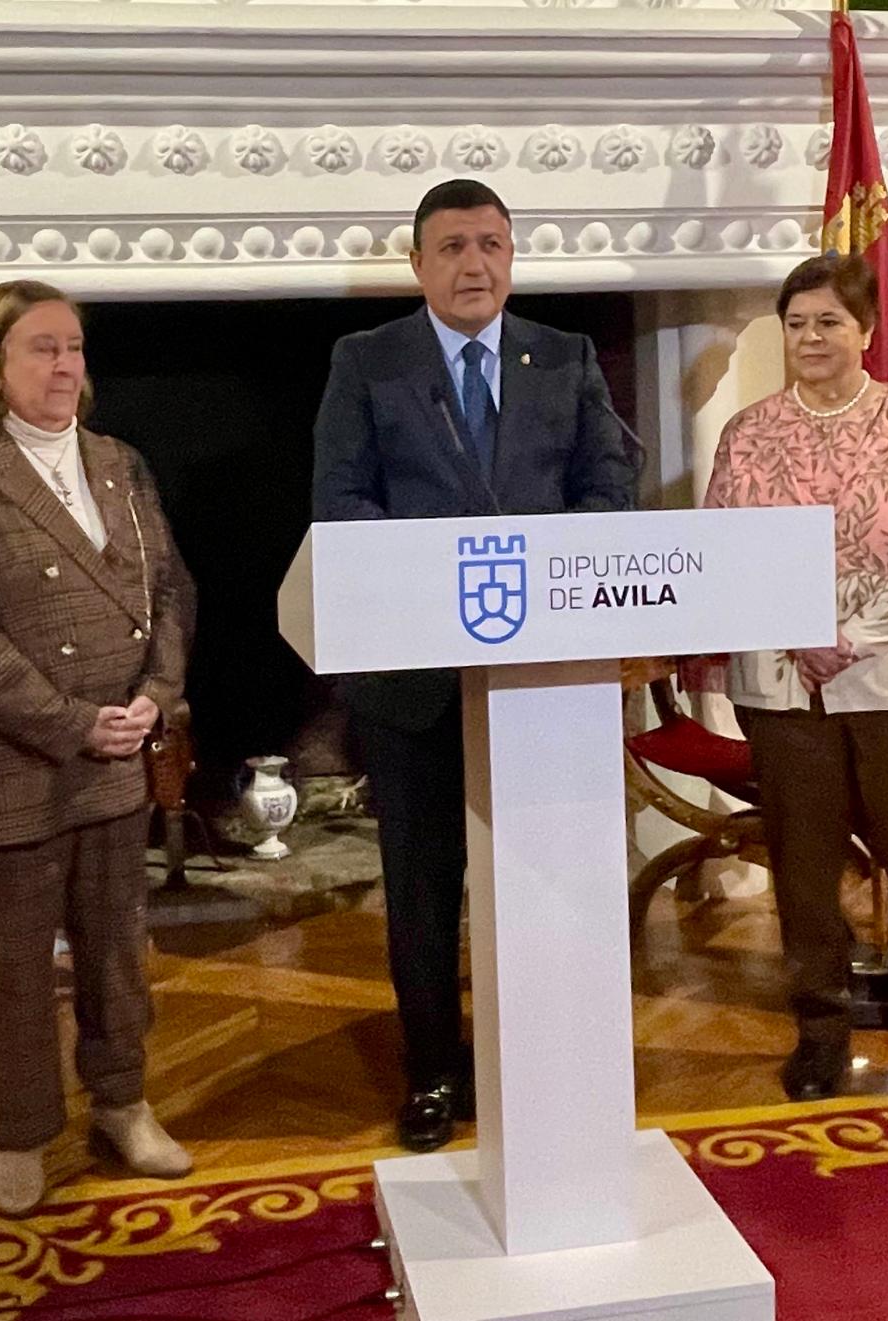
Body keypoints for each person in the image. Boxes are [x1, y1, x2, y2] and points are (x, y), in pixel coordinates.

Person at [311, 179, 638, 1152]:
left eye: (492, 244)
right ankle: (430, 1073)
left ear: (511, 256)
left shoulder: (566, 357)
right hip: (410, 682)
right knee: (422, 886)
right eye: (452, 245)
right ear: (417, 263)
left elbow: (607, 492)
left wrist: (540, 573)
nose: (474, 264)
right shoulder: (365, 362)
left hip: (539, 686)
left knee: (536, 879)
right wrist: (437, 577)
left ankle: (530, 1063)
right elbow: (341, 503)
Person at [0, 279, 197, 1212]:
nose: (65, 365)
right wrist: (73, 720)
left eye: (73, 347)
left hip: (115, 757)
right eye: (41, 347)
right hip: (11, 765)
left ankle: (122, 1103)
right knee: (20, 968)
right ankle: (22, 1135)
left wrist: (156, 695)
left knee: (116, 952)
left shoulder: (120, 463)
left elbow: (169, 593)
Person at [694, 251, 888, 1119]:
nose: (811, 337)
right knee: (804, 870)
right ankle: (821, 1035)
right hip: (786, 689)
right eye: (796, 322)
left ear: (866, 331)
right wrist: (799, 635)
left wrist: (850, 637)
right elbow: (725, 548)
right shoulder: (748, 432)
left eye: (829, 321)